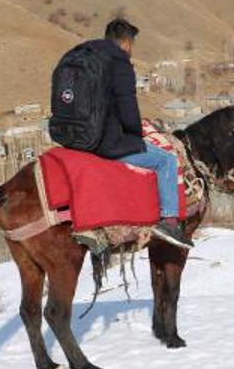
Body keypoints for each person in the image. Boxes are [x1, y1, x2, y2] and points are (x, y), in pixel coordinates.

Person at [51, 18, 193, 249]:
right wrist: (135, 135)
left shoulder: (81, 54)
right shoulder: (118, 63)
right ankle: (169, 221)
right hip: (103, 143)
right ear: (126, 44)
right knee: (166, 160)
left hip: (68, 137)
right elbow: (128, 109)